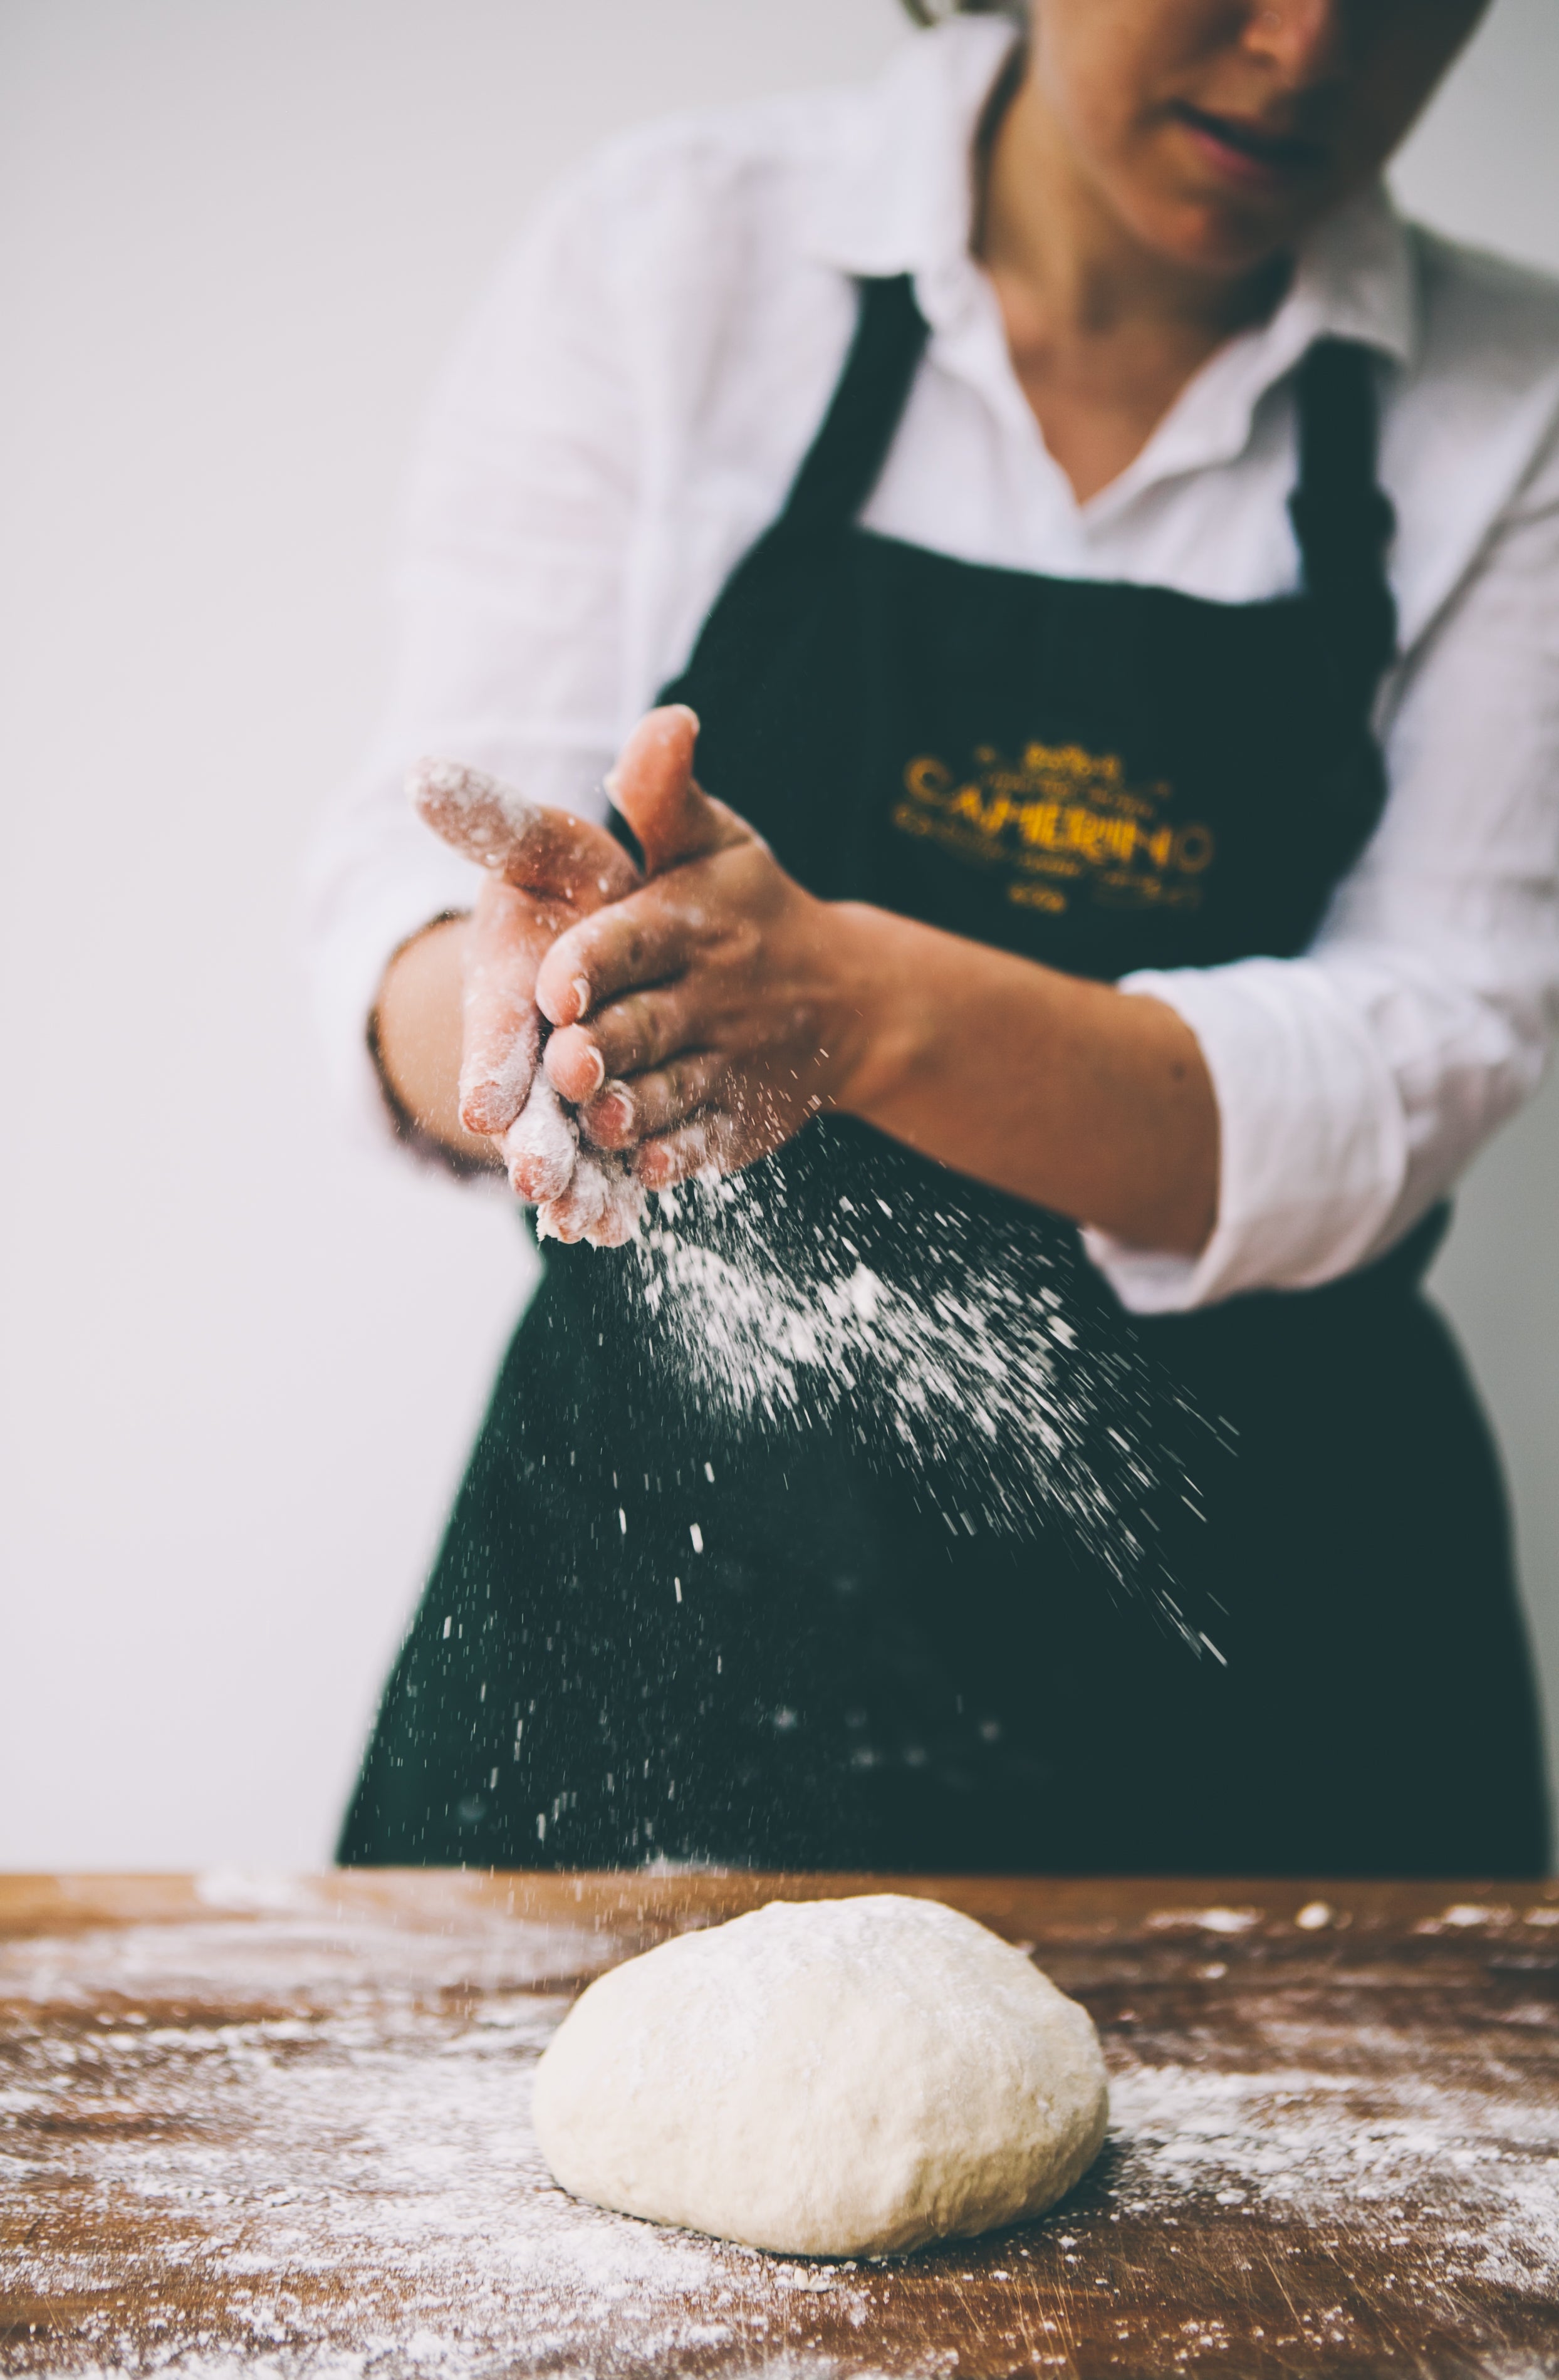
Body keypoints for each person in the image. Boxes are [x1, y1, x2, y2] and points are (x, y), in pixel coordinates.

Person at [308, 0, 1559, 1877]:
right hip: (668, 1625)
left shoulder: (1514, 402)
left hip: (1265, 1671)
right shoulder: (680, 260)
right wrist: (505, 1003)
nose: (1309, 48)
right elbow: (400, 908)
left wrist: (861, 1015)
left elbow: (1418, 1048)